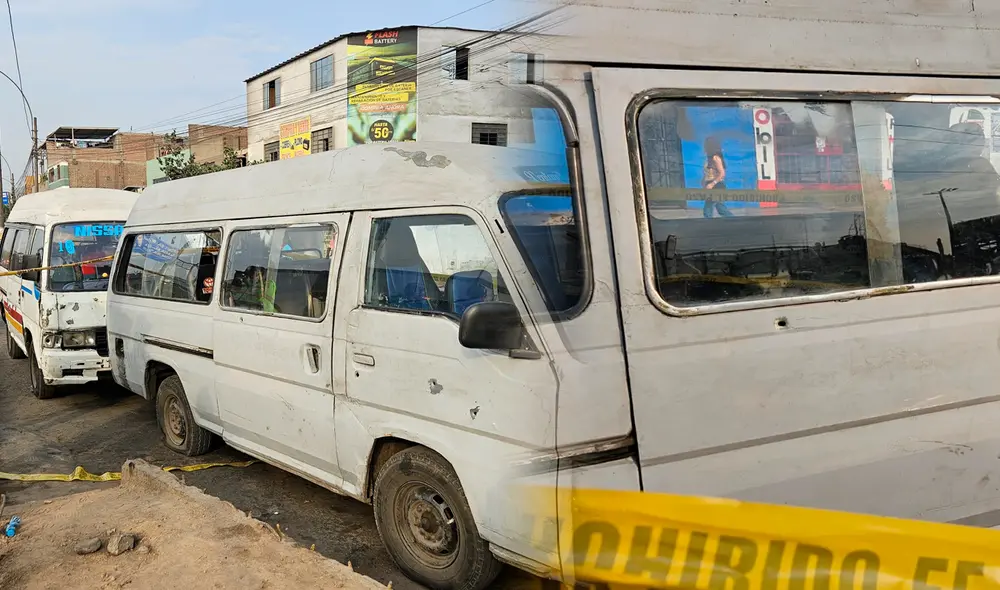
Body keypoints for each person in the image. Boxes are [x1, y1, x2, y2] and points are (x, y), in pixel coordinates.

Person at [701, 136, 733, 218]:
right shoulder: (709, 158)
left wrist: (712, 184)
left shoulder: (715, 158)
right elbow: (708, 172)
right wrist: (704, 181)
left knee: (708, 209)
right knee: (720, 208)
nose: (704, 146)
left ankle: (709, 226)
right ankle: (733, 220)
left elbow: (722, 173)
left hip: (717, 185)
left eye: (706, 145)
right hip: (710, 184)